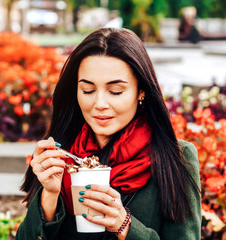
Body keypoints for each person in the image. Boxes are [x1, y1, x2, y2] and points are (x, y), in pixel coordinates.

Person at [16, 28, 201, 240]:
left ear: (141, 91)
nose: (99, 104)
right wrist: (49, 195)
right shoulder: (62, 154)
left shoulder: (176, 158)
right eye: (88, 90)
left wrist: (125, 226)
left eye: (115, 91)